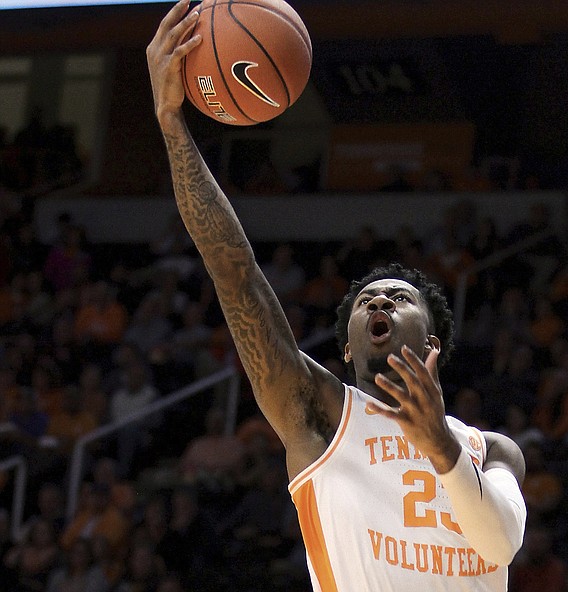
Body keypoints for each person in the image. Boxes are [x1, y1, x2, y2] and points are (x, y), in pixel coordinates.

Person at [146, 3, 527, 590]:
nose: (377, 304)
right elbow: (235, 273)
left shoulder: (491, 448)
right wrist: (172, 125)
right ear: (346, 350)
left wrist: (441, 447)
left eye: (397, 297)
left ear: (430, 339)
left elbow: (499, 543)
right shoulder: (320, 416)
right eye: (364, 303)